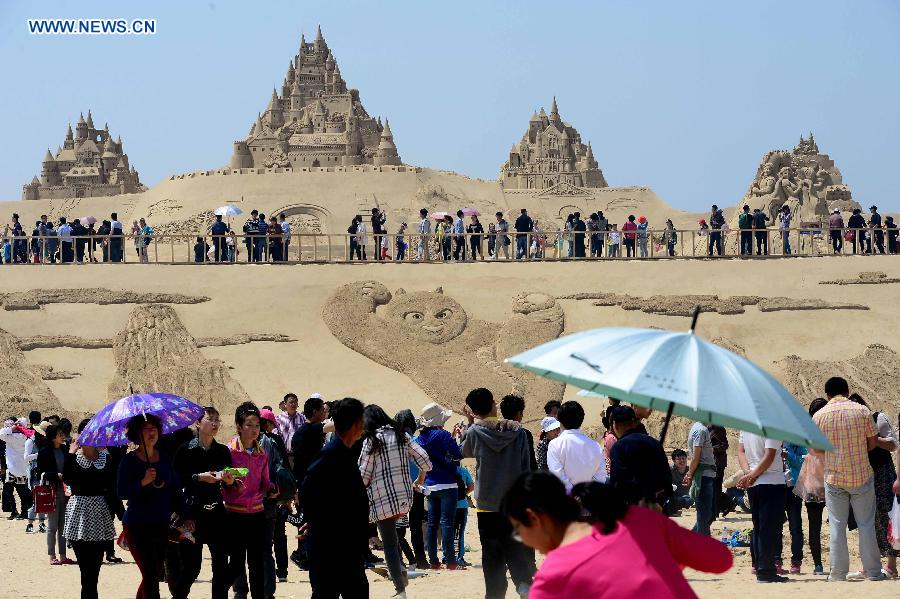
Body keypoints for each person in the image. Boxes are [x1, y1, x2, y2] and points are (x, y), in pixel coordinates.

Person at [501, 472, 733, 599]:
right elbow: (721, 558)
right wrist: (662, 534)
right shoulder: (640, 522)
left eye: (519, 531)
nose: (523, 540)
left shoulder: (552, 579)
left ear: (534, 518)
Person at [461, 388, 535, 598]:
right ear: (494, 403)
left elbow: (464, 451)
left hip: (487, 504)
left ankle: (495, 593)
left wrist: (469, 422)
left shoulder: (475, 432)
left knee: (491, 553)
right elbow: (525, 467)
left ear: (473, 411)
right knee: (514, 546)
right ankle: (522, 584)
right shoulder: (518, 432)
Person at [811, 376, 885, 581]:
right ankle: (873, 572)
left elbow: (816, 448)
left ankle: (837, 573)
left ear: (827, 394)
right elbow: (872, 444)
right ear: (847, 390)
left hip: (834, 477)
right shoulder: (862, 411)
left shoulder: (819, 416)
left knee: (836, 526)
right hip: (861, 475)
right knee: (866, 525)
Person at [359, 405, 431, 597]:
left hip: (382, 500)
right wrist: (421, 478)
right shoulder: (401, 435)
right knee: (395, 537)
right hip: (404, 498)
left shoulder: (371, 440)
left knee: (390, 543)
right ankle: (401, 572)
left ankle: (400, 589)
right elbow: (425, 459)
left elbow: (363, 476)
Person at [302, 398, 370, 598]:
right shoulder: (332, 454)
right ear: (357, 424)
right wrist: (315, 520)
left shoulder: (346, 453)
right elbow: (308, 486)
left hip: (346, 546)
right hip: (331, 548)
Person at [117, 414, 184, 599]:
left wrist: (185, 516)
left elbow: (175, 489)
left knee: (153, 573)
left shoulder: (165, 459)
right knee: (150, 574)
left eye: (154, 427)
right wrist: (143, 482)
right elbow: (121, 491)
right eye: (146, 428)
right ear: (137, 433)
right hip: (137, 525)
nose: (151, 431)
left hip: (160, 524)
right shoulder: (129, 460)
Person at [170, 407, 233, 599]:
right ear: (198, 423)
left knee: (221, 567)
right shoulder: (185, 450)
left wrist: (230, 481)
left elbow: (230, 485)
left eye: (217, 419)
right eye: (210, 419)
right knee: (191, 568)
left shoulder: (222, 451)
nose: (214, 423)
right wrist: (198, 477)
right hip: (191, 514)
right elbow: (175, 481)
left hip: (217, 513)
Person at [221, 402, 276, 599]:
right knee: (236, 563)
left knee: (257, 562)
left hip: (258, 514)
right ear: (238, 426)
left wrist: (271, 489)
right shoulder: (229, 451)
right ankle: (227, 593)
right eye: (249, 425)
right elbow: (222, 482)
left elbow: (265, 482)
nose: (254, 430)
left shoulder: (263, 453)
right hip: (234, 513)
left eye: (257, 426)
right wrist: (230, 483)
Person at [65, 419, 122, 599]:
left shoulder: (107, 459)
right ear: (81, 435)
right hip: (78, 516)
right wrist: (70, 454)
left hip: (100, 516)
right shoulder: (73, 458)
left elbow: (113, 490)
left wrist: (122, 516)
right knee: (85, 570)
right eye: (89, 432)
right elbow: (68, 480)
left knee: (94, 571)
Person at [848, 393, 899, 576]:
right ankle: (871, 565)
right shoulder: (852, 426)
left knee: (887, 517)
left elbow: (893, 445)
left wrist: (873, 438)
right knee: (867, 520)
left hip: (883, 474)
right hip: (863, 475)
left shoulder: (878, 418)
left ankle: (891, 565)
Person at [416, 403, 463, 570]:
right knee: (447, 523)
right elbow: (458, 454)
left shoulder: (420, 438)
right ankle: (451, 561)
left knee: (432, 523)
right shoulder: (443, 435)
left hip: (430, 484)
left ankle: (434, 561)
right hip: (448, 484)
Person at [736, 431, 788, 583]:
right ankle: (766, 571)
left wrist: (748, 473)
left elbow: (741, 451)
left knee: (759, 527)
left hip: (755, 482)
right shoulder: (772, 423)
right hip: (771, 481)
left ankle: (760, 566)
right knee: (769, 529)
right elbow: (769, 456)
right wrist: (751, 475)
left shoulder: (746, 424)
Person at [290, 394, 334, 569]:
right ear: (315, 412)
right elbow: (334, 425)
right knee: (307, 519)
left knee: (308, 519)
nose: (325, 413)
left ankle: (305, 554)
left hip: (307, 482)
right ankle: (302, 555)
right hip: (307, 484)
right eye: (323, 410)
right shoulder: (310, 429)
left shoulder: (306, 430)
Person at [607, 406, 670, 509]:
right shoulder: (654, 443)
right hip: (656, 507)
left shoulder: (619, 447)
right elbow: (667, 479)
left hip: (632, 510)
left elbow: (618, 482)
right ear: (633, 423)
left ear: (615, 425)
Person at [796, 398, 828, 575]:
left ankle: (818, 565)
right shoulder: (830, 430)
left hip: (812, 483)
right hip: (830, 481)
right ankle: (830, 564)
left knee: (814, 527)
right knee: (837, 525)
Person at [395, 409, 429, 570]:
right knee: (416, 527)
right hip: (417, 488)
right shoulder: (417, 442)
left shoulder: (395, 442)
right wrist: (421, 478)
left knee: (398, 529)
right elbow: (425, 463)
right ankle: (421, 560)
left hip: (400, 490)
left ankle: (400, 560)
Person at [547, 401, 607, 492]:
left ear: (560, 420)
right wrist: (585, 494)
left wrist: (574, 493)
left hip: (566, 500)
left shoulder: (555, 445)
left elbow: (557, 476)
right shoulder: (596, 446)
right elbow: (601, 477)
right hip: (589, 500)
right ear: (582, 418)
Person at [37, 423, 73, 565]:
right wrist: (57, 475)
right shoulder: (44, 451)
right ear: (53, 437)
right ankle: (52, 556)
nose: (63, 436)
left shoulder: (64, 449)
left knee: (64, 525)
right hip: (51, 490)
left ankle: (63, 556)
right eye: (60, 434)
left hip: (65, 491)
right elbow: (41, 473)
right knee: (52, 525)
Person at [684, 420, 716, 535]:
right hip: (703, 476)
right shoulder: (701, 430)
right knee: (704, 515)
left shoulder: (699, 428)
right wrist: (690, 474)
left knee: (705, 514)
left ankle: (691, 538)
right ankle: (703, 545)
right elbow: (696, 457)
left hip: (704, 475)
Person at [0, 418, 32, 520]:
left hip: (10, 469)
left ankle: (14, 511)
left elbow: (1, 433)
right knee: (22, 490)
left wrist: (11, 429)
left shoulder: (11, 438)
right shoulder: (25, 437)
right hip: (22, 469)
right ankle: (24, 511)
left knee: (8, 491)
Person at [499, 395, 537, 471]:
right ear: (519, 413)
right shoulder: (525, 434)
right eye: (521, 413)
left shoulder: (494, 433)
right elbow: (531, 462)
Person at [709, 424, 734, 517]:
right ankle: (727, 503)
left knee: (715, 488)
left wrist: (711, 449)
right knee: (712, 488)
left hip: (717, 463)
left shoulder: (717, 427)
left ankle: (715, 513)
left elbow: (724, 445)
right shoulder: (707, 427)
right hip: (710, 463)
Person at [454, 464, 474, 567]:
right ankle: (459, 559)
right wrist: (464, 493)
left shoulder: (443, 469)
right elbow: (471, 487)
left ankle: (446, 557)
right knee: (459, 533)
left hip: (446, 505)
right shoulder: (463, 471)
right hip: (461, 505)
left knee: (447, 531)